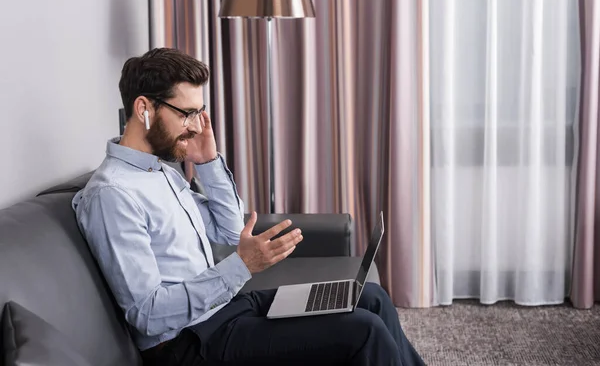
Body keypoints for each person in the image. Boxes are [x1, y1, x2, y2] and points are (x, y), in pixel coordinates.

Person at [72, 48, 425, 365]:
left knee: (371, 298)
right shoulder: (114, 195)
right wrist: (242, 266)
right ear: (144, 108)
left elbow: (228, 228)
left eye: (199, 113)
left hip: (224, 310)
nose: (195, 127)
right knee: (363, 330)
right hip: (186, 343)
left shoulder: (160, 169)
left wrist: (208, 161)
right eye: (186, 114)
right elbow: (147, 315)